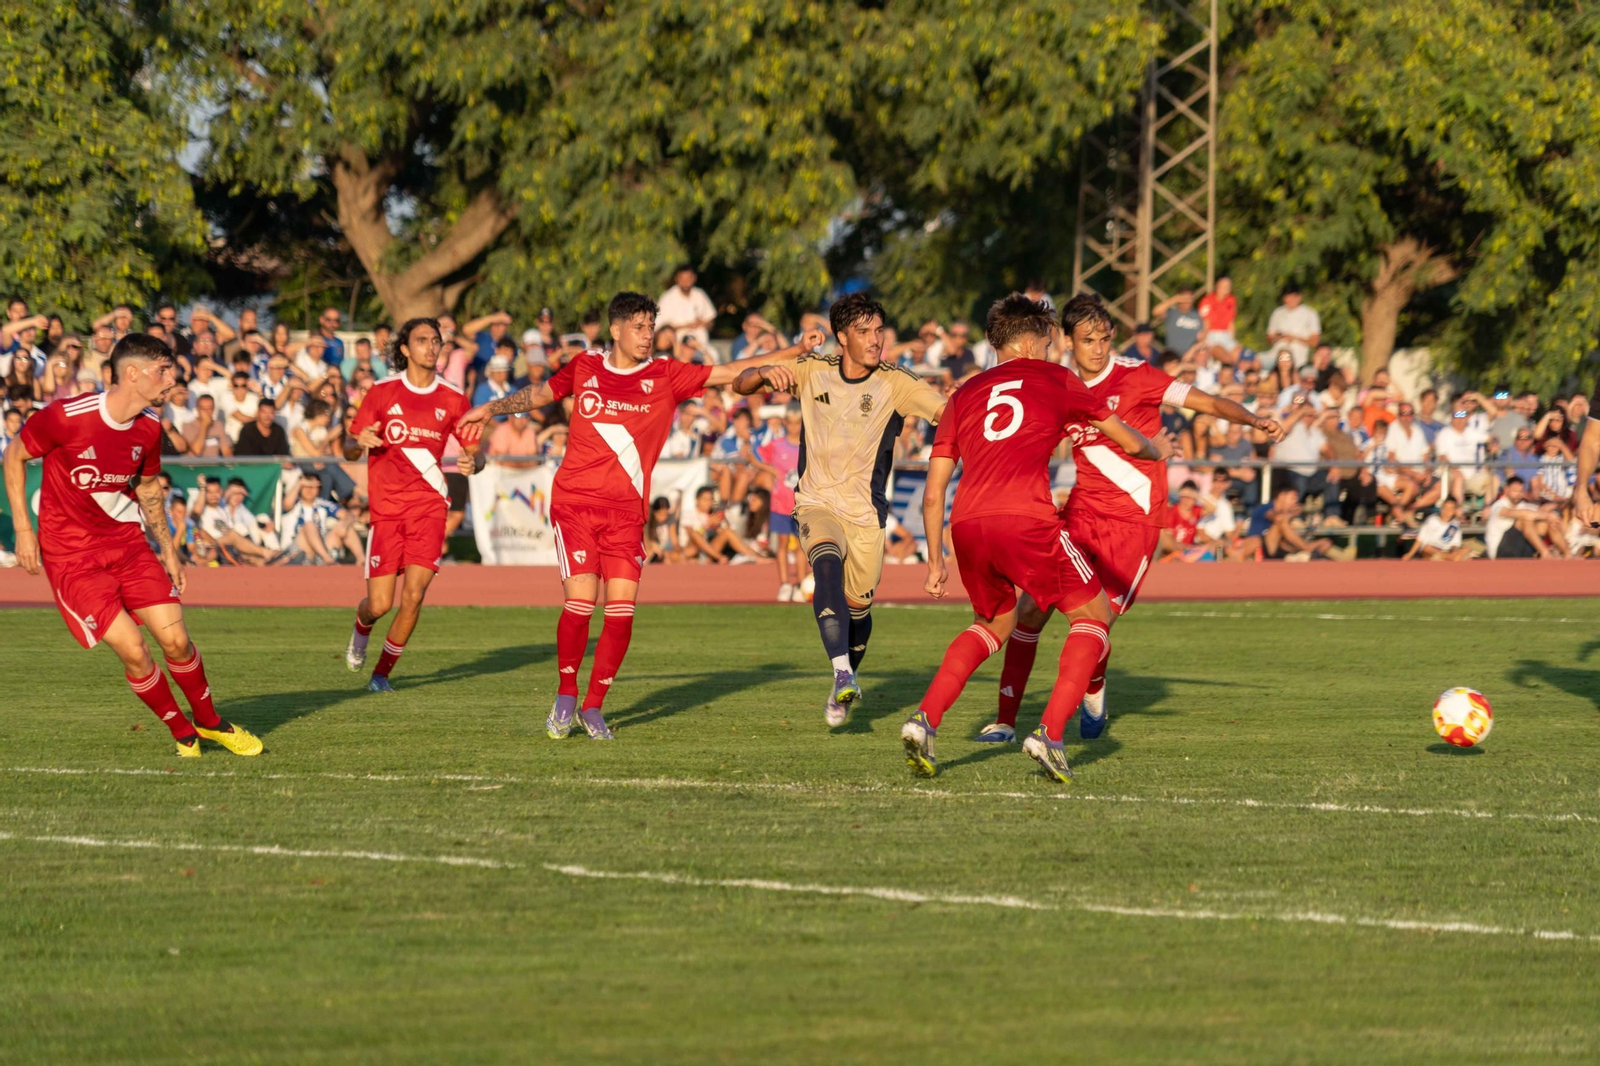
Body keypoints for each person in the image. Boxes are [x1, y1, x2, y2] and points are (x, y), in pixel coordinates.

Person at [456, 292, 818, 740]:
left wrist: (795, 350)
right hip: (576, 504)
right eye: (639, 327)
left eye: (650, 327)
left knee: (622, 613)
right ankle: (566, 694)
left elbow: (729, 372)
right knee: (580, 604)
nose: (647, 335)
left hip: (626, 513)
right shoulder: (586, 366)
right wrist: (489, 408)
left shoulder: (666, 374)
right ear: (616, 330)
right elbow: (541, 393)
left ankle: (593, 706)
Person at [986, 293, 1283, 743]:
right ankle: (1006, 723)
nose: (1098, 348)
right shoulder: (1058, 382)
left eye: (1104, 338)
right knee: (1030, 609)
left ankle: (1092, 687)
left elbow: (1205, 402)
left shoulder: (1137, 375)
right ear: (1067, 341)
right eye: (1088, 340)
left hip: (1133, 523)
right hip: (1080, 515)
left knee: (1096, 623)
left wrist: (1254, 420)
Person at [897, 293, 1166, 783]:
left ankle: (924, 720)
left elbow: (933, 493)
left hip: (968, 524)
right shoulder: (1056, 378)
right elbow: (1129, 440)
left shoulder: (963, 394)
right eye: (1048, 339)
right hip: (1026, 517)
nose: (1051, 348)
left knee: (992, 624)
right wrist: (1154, 449)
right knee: (1093, 615)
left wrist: (935, 562)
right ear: (1032, 340)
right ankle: (1049, 735)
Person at [2, 334, 262, 757]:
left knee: (177, 642)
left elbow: (148, 488)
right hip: (73, 558)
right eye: (163, 370)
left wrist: (169, 550)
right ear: (133, 373)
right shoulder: (66, 416)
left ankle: (210, 721)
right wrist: (23, 530)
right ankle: (183, 732)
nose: (172, 379)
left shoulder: (149, 426)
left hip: (128, 546)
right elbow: (14, 455)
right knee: (134, 651)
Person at [731, 293, 945, 728]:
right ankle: (841, 671)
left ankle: (846, 680)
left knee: (859, 612)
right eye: (864, 332)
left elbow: (948, 413)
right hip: (816, 501)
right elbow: (741, 383)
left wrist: (964, 404)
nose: (875, 339)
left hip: (866, 515)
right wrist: (763, 372)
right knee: (824, 563)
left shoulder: (897, 383)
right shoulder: (813, 371)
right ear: (842, 337)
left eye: (879, 330)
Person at [341, 318, 483, 692]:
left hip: (430, 507)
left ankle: (381, 675)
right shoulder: (382, 392)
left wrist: (474, 462)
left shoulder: (453, 397)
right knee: (379, 604)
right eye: (422, 341)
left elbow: (475, 451)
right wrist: (358, 442)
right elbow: (349, 446)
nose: (431, 347)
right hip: (387, 511)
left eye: (436, 341)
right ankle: (362, 627)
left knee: (414, 596)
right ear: (404, 349)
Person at [657, 265, 717, 349]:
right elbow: (660, 328)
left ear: (694, 278)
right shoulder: (667, 298)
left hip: (702, 345)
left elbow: (711, 321)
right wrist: (687, 326)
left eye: (688, 278)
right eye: (682, 278)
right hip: (678, 347)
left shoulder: (700, 295)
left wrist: (704, 323)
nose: (686, 282)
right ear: (676, 279)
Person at [1406, 499, 1474, 561]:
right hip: (1430, 550)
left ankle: (1447, 557)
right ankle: (1449, 558)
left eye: (1450, 509)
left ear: (1454, 511)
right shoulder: (1432, 520)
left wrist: (1455, 551)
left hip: (1446, 550)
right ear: (1441, 509)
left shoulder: (1455, 524)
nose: (1447, 511)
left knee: (1466, 549)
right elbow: (1420, 539)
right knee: (1427, 548)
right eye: (1445, 508)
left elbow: (1455, 545)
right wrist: (1410, 554)